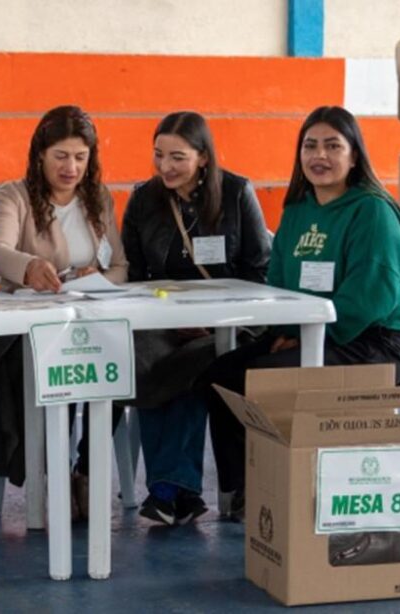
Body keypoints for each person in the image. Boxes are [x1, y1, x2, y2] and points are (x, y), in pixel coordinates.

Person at [203, 105, 400, 522]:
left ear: (354, 155)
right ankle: (241, 491)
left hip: (369, 341)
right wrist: (289, 329)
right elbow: (278, 281)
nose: (320, 156)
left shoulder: (372, 211)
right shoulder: (298, 209)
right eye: (310, 145)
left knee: (263, 376)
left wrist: (307, 336)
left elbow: (372, 294)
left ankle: (289, 487)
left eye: (333, 146)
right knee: (218, 377)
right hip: (303, 332)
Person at [121, 110, 271, 526]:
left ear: (203, 157)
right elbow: (135, 274)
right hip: (164, 322)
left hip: (230, 323)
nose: (166, 167)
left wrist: (219, 320)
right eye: (159, 155)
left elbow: (259, 268)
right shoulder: (144, 199)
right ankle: (179, 492)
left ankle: (169, 489)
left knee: (197, 361)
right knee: (143, 360)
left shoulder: (237, 193)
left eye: (178, 157)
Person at [0, 105, 128, 518]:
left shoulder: (99, 199)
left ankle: (86, 469)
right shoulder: (14, 194)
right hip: (32, 329)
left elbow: (120, 266)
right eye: (61, 156)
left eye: (80, 157)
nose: (71, 167)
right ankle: (56, 474)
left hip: (90, 319)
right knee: (59, 369)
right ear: (40, 156)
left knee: (121, 365)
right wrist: (28, 267)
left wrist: (97, 274)